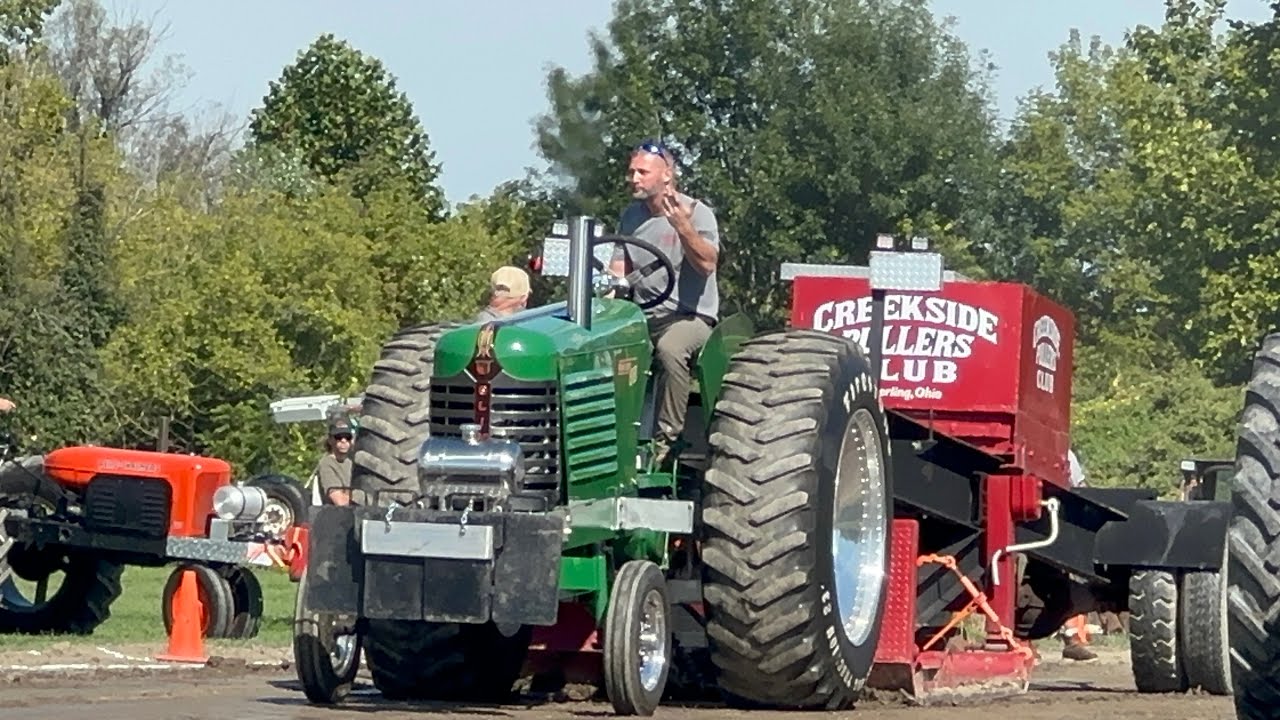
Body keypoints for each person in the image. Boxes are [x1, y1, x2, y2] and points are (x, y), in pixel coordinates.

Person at [608, 140, 721, 466]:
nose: (634, 178)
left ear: (666, 175)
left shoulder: (697, 212)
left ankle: (665, 443)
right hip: (643, 316)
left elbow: (707, 264)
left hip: (689, 317)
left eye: (642, 172)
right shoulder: (630, 218)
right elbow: (620, 271)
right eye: (632, 171)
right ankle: (615, 442)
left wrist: (683, 227)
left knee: (670, 349)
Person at [1060, 447, 1099, 662]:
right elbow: (1080, 487)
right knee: (1072, 579)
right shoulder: (1065, 453)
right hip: (1061, 525)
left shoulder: (1064, 453)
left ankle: (1072, 637)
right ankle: (1072, 638)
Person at [310, 417, 354, 506]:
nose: (343, 441)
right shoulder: (326, 464)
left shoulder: (353, 463)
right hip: (336, 515)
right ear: (330, 440)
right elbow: (339, 501)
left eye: (347, 437)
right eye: (339, 437)